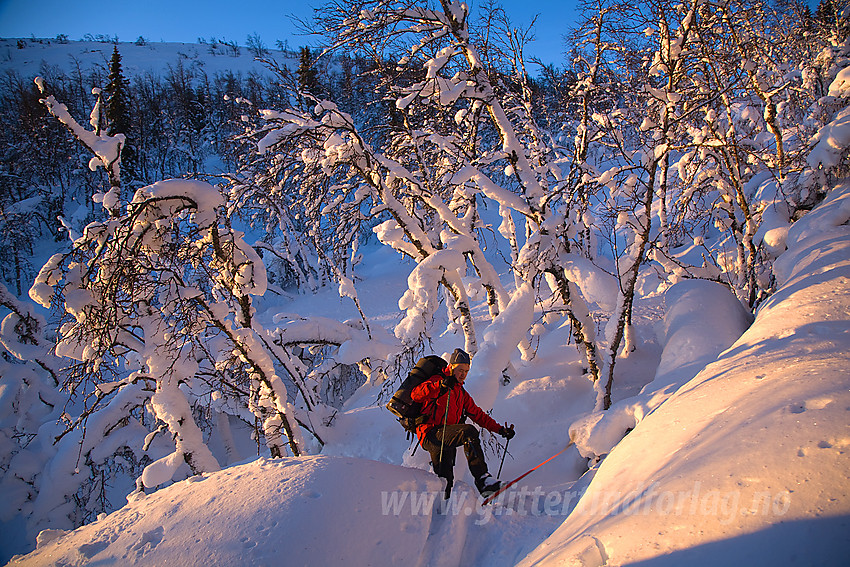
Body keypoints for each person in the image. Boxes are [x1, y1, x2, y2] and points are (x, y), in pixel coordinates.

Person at [410, 348, 515, 498]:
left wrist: (500, 430)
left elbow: (478, 415)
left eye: (466, 370)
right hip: (430, 434)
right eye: (460, 369)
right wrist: (440, 385)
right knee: (468, 432)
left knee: (445, 480)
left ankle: (441, 511)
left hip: (447, 435)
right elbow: (416, 395)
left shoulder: (461, 392)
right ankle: (483, 480)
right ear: (452, 367)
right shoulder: (439, 381)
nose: (463, 374)